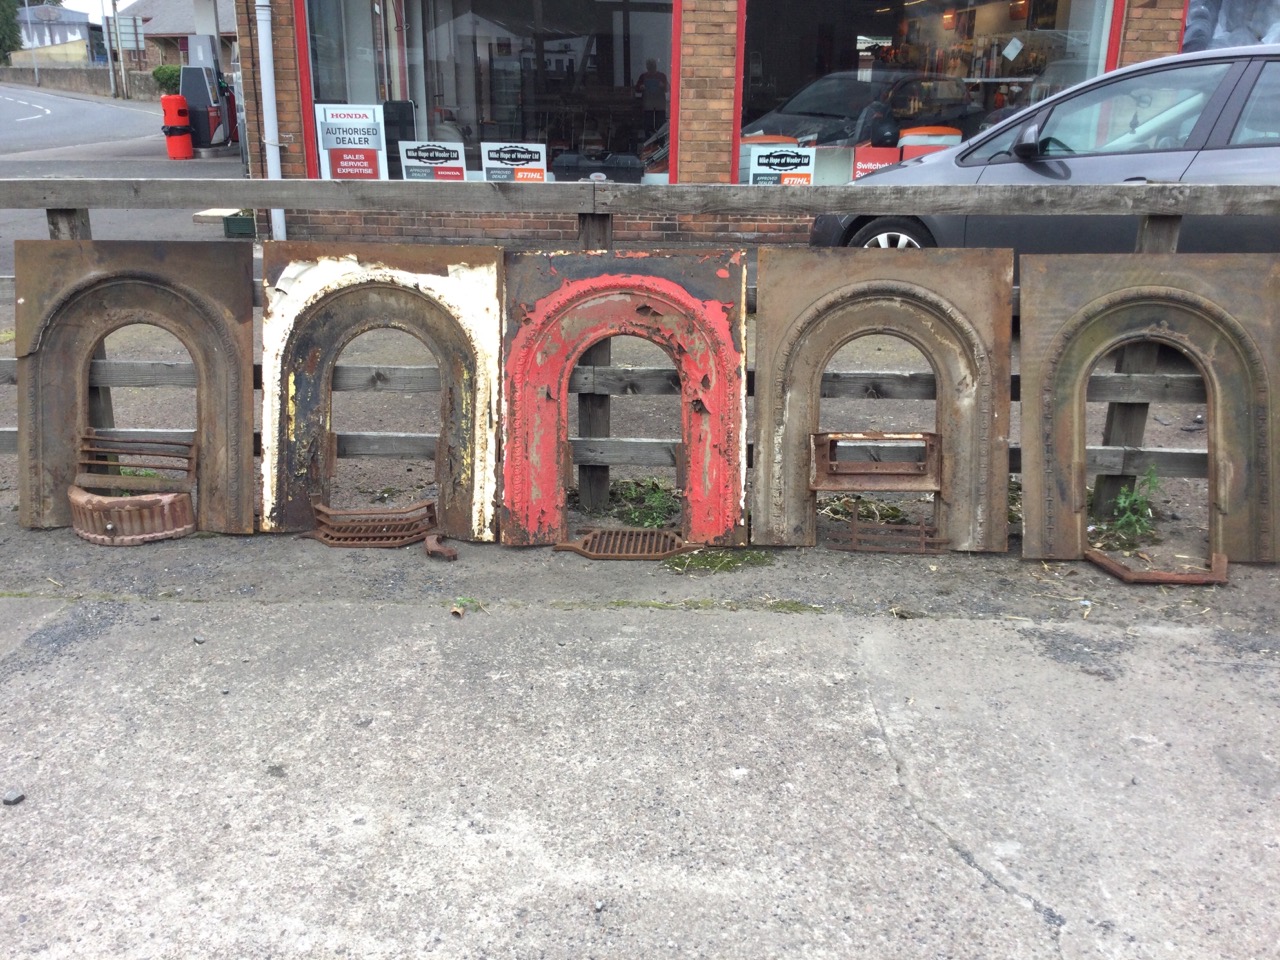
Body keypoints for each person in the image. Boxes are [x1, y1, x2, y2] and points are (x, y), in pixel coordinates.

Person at [635, 59, 670, 136]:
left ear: (655, 66)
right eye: (649, 66)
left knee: (660, 126)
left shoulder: (661, 76)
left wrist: (663, 85)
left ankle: (660, 143)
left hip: (659, 105)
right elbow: (637, 89)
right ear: (647, 67)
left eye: (652, 66)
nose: (651, 68)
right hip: (648, 105)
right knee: (648, 126)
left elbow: (668, 88)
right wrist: (641, 87)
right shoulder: (643, 76)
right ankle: (649, 144)